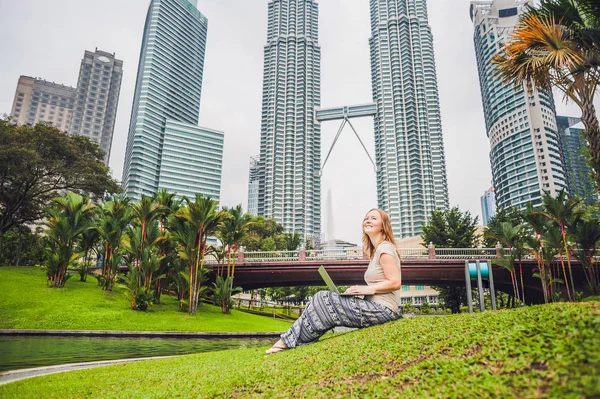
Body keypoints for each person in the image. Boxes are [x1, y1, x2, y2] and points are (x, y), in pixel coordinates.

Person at [266, 208, 402, 354]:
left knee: (323, 298)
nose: (368, 220)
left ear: (384, 225)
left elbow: (395, 282)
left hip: (384, 311)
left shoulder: (385, 249)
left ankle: (286, 342)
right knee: (320, 299)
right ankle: (293, 341)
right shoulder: (376, 251)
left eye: (374, 218)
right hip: (374, 307)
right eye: (366, 218)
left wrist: (364, 289)